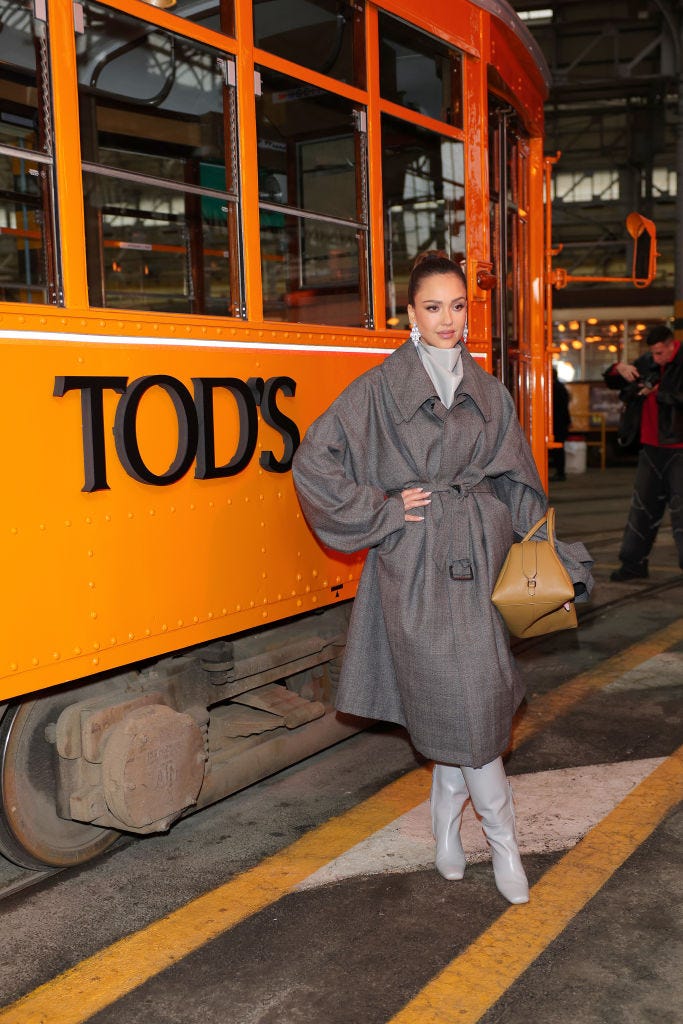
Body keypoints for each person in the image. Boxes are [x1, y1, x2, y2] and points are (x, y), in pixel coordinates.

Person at [292, 251, 593, 905]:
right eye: (433, 307)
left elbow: (518, 486)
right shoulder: (377, 388)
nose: (447, 319)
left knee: (472, 711)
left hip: (483, 566)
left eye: (457, 306)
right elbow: (314, 457)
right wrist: (381, 511)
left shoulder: (490, 392)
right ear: (410, 314)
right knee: (466, 716)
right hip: (416, 570)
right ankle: (503, 845)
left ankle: (445, 830)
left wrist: (549, 556)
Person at [603, 324, 683, 582]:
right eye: (653, 353)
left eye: (661, 353)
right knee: (642, 509)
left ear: (672, 345)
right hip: (651, 448)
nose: (656, 358)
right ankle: (633, 564)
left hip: (679, 447)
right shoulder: (648, 361)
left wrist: (660, 393)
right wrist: (619, 368)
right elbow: (613, 380)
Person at [550, 368, 571, 482]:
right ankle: (560, 472)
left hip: (557, 423)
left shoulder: (554, 388)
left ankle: (560, 473)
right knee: (559, 449)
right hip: (562, 422)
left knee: (558, 449)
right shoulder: (560, 387)